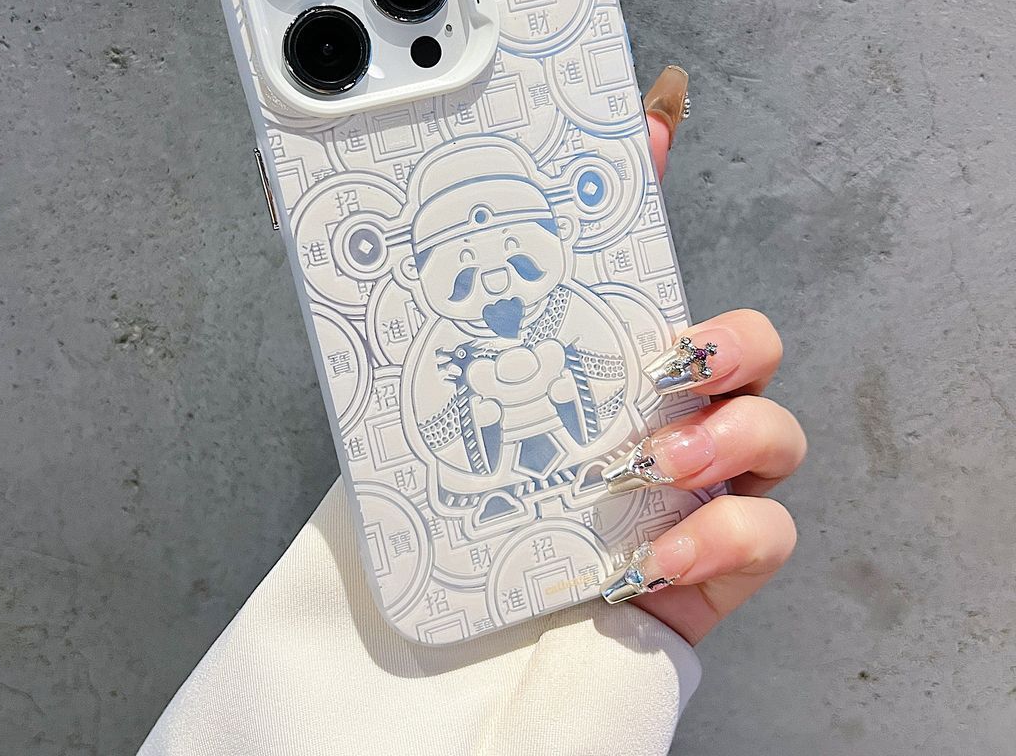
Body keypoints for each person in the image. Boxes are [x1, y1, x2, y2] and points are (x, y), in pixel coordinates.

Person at [138, 67, 807, 756]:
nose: (493, 279)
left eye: (515, 254)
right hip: (465, 519)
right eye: (462, 267)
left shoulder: (571, 312)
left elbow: (606, 375)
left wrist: (624, 648)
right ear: (414, 271)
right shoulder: (442, 351)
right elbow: (433, 433)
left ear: (557, 229)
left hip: (588, 486)